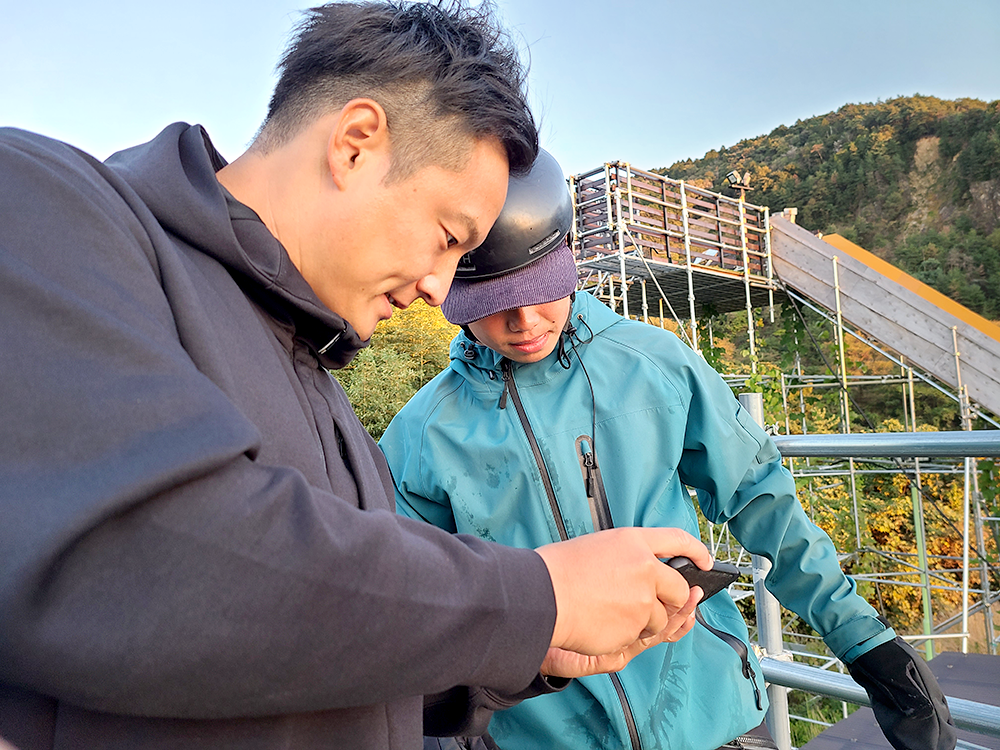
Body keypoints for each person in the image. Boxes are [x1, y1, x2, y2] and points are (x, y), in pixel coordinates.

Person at [0, 4, 715, 749]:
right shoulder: (44, 203)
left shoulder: (319, 382)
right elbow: (156, 560)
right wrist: (537, 597)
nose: (441, 289)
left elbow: (338, 646)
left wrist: (531, 649)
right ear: (356, 144)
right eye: (447, 237)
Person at [379, 149, 957, 750]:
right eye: (492, 303)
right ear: (445, 290)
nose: (524, 320)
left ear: (567, 259)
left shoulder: (653, 361)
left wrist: (864, 642)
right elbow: (420, 610)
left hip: (703, 718)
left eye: (540, 288)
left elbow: (759, 497)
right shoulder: (423, 433)